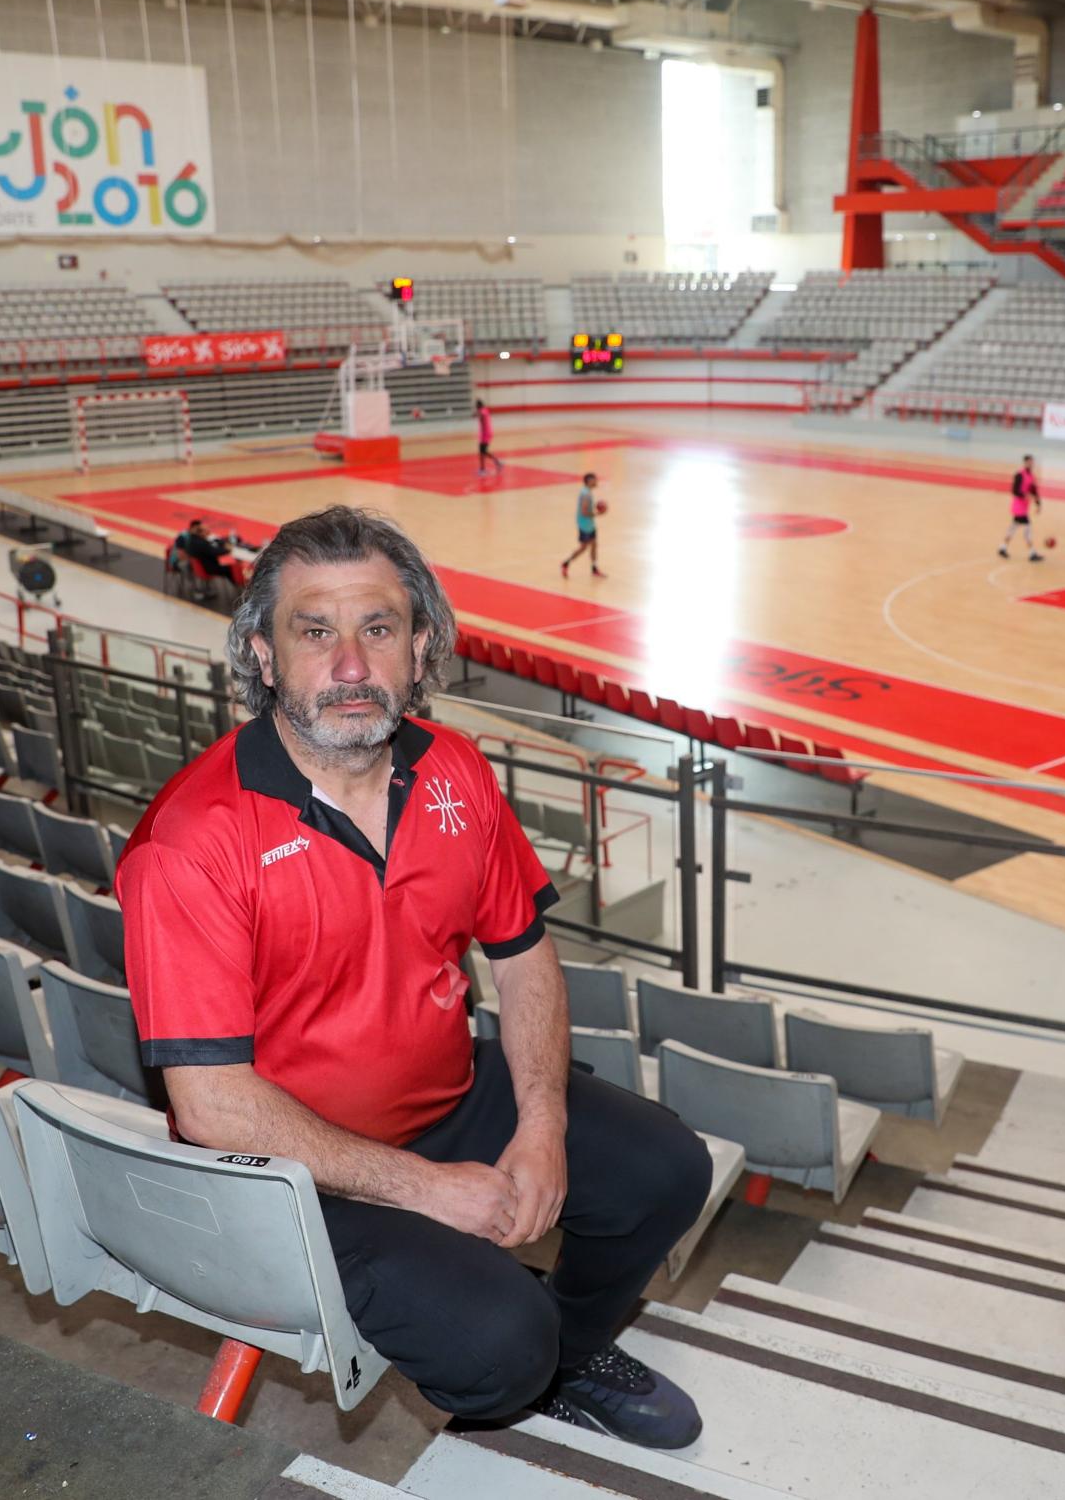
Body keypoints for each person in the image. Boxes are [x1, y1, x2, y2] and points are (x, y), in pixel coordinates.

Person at [118, 505, 712, 1450]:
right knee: (494, 1348)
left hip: (445, 1093)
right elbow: (211, 1105)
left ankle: (570, 1346)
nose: (351, 666)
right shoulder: (193, 841)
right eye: (315, 631)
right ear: (265, 656)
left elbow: (523, 961)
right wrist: (430, 1194)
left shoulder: (457, 771)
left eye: (379, 629)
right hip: (294, 1170)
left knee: (667, 1170)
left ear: (420, 646)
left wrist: (543, 1128)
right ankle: (532, 1351)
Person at [999, 454, 1043, 562]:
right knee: (1027, 528)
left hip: (1024, 507)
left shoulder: (1032, 476)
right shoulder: (1019, 474)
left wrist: (1038, 504)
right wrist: (1025, 495)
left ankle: (1003, 548)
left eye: (1032, 462)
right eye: (1029, 461)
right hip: (1018, 506)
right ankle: (1032, 553)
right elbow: (1014, 490)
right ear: (1025, 462)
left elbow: (1034, 491)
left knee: (1013, 527)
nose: (1031, 463)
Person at [561, 472, 605, 578]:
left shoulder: (587, 492)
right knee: (583, 548)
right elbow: (584, 512)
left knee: (594, 544)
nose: (596, 481)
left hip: (589, 523)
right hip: (584, 524)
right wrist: (598, 513)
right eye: (594, 479)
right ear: (589, 481)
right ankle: (566, 563)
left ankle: (594, 568)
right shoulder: (586, 494)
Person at [180, 518, 240, 584]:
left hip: (203, 566)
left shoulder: (193, 539)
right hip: (209, 568)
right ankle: (238, 586)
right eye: (207, 532)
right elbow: (214, 552)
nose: (208, 534)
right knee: (231, 569)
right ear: (201, 532)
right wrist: (228, 550)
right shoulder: (201, 543)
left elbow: (212, 548)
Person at [476, 398, 503, 474]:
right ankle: (497, 462)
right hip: (486, 434)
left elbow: (482, 415)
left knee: (482, 452)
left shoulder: (482, 412)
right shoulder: (485, 410)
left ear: (478, 406)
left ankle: (483, 469)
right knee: (483, 452)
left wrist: (478, 415)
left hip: (485, 435)